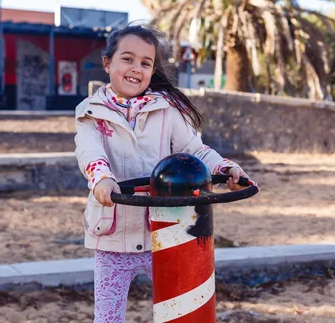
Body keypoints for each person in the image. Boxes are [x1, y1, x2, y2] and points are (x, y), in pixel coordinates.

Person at [74, 24, 254, 322]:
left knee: (181, 309)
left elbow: (195, 151)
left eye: (146, 63)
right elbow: (90, 153)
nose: (136, 69)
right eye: (127, 59)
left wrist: (225, 168)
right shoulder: (90, 112)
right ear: (108, 63)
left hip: (164, 232)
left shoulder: (167, 110)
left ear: (153, 69)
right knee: (107, 317)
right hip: (113, 236)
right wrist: (101, 179)